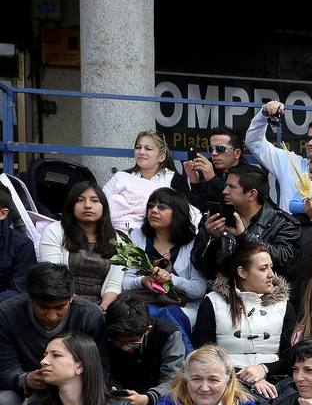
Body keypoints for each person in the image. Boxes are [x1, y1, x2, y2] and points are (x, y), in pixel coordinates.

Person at [0, 262, 108, 405]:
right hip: (29, 390)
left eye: (59, 307)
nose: (51, 316)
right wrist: (24, 379)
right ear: (30, 299)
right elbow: (5, 366)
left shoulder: (89, 316)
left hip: (78, 388)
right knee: (6, 400)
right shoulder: (7, 313)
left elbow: (100, 368)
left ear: (71, 298)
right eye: (42, 307)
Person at [191, 243, 296, 401]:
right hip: (227, 380)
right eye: (262, 269)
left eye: (271, 267)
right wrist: (249, 377)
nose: (271, 275)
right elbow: (204, 354)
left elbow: (292, 356)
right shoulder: (212, 302)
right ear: (242, 272)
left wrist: (263, 369)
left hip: (276, 380)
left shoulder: (284, 304)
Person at [192, 165, 301, 282]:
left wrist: (244, 236)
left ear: (251, 194)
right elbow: (198, 265)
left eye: (231, 187)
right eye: (226, 186)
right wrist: (211, 238)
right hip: (226, 293)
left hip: (269, 295)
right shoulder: (215, 219)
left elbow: (284, 261)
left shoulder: (283, 223)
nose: (224, 191)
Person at [126, 187, 210, 334]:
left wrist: (170, 279)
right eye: (151, 205)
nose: (154, 210)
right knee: (150, 315)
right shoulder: (137, 237)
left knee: (167, 316)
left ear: (178, 213)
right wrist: (143, 281)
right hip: (143, 305)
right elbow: (125, 281)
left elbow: (199, 289)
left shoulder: (192, 243)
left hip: (182, 309)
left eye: (162, 207)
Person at [38, 181, 121, 309]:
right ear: (71, 205)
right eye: (80, 200)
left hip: (103, 307)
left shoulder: (118, 240)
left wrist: (104, 307)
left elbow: (114, 284)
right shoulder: (54, 231)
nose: (87, 205)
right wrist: (83, 309)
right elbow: (54, 276)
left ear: (104, 206)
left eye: (94, 200)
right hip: (62, 303)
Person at [105, 296, 186, 405]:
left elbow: (172, 380)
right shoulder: (106, 335)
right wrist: (114, 390)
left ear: (147, 330)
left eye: (133, 342)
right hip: (115, 399)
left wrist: (147, 398)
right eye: (119, 342)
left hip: (160, 401)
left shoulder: (168, 335)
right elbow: (102, 369)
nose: (125, 348)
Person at [101, 130, 189, 231]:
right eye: (138, 147)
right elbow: (101, 203)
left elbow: (184, 213)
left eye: (148, 149)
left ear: (161, 157)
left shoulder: (174, 180)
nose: (141, 152)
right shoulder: (122, 176)